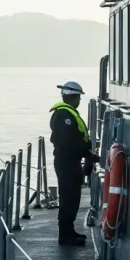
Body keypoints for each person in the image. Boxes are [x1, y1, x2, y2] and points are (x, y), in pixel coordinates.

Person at [49, 81, 99, 246]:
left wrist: (86, 155)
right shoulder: (64, 116)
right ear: (73, 97)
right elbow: (67, 143)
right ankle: (65, 236)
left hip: (71, 162)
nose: (79, 101)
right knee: (68, 198)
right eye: (78, 98)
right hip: (67, 163)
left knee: (72, 198)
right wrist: (85, 155)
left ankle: (69, 231)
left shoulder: (68, 114)